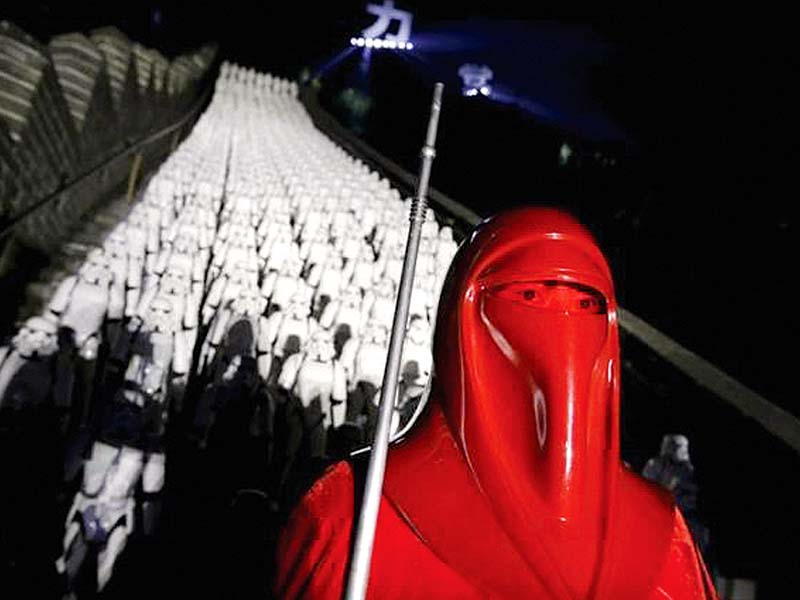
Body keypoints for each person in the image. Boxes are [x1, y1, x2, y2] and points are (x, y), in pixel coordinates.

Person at [274, 208, 717, 599]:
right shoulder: (355, 508)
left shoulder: (349, 507)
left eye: (585, 304)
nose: (561, 322)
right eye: (528, 297)